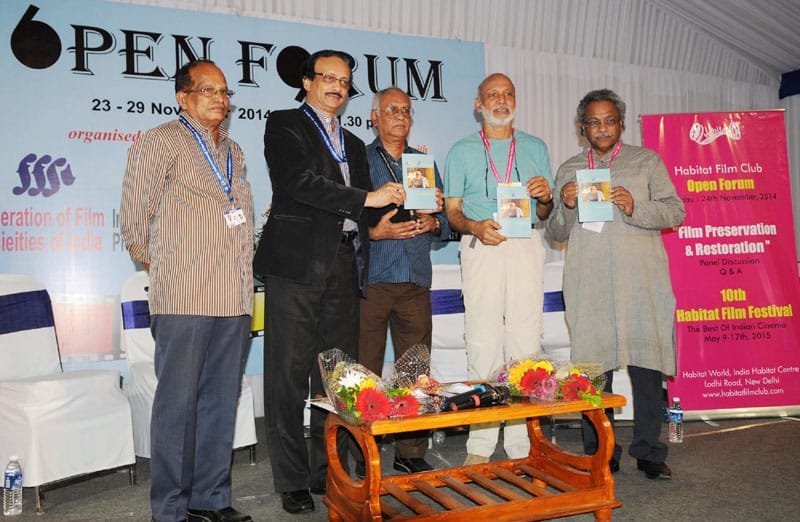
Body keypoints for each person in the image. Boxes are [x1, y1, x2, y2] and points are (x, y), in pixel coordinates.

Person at [252, 50, 405, 515]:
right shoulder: (285, 124)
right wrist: (369, 198)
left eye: (345, 81)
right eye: (329, 78)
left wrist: (412, 205)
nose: (338, 87)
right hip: (296, 267)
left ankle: (328, 469)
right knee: (288, 377)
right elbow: (297, 182)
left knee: (337, 378)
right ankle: (292, 480)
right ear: (307, 81)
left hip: (344, 264)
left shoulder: (354, 143)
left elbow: (364, 210)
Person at [120, 60, 253, 522]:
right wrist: (167, 266)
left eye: (224, 91)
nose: (220, 99)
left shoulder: (234, 149)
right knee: (178, 406)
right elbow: (134, 217)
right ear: (183, 96)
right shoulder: (160, 141)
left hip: (234, 296)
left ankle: (210, 500)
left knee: (220, 402)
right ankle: (171, 510)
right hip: (185, 296)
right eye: (208, 90)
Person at [546, 88, 685, 480]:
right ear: (582, 128)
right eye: (594, 122)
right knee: (593, 371)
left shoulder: (646, 162)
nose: (602, 128)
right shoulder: (570, 169)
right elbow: (554, 231)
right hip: (590, 284)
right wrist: (565, 205)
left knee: (647, 369)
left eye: (609, 121)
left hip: (641, 282)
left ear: (621, 124)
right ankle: (601, 452)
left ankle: (650, 452)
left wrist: (635, 206)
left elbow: (676, 211)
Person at [443, 73, 554, 465]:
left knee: (526, 337)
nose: (501, 100)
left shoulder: (536, 147)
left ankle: (522, 445)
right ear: (479, 104)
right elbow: (452, 211)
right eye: (493, 94)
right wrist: (475, 227)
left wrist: (545, 197)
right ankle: (480, 446)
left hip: (526, 244)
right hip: (482, 244)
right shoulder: (461, 151)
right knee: (483, 339)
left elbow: (545, 212)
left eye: (508, 93)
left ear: (515, 100)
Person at [358, 86, 449, 475]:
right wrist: (373, 232)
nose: (400, 116)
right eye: (392, 110)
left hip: (415, 278)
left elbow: (444, 222)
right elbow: (347, 218)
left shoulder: (423, 163)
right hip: (372, 280)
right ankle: (363, 451)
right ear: (375, 117)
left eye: (407, 110)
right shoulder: (360, 160)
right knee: (364, 370)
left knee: (416, 370)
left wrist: (434, 223)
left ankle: (410, 452)